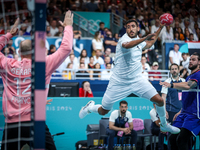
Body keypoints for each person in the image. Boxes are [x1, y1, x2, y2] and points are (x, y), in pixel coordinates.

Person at [79, 19, 180, 134]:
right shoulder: (124, 40)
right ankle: (89, 108)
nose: (130, 29)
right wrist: (144, 38)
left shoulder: (139, 41)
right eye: (128, 27)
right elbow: (128, 46)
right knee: (103, 111)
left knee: (160, 101)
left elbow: (150, 43)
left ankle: (164, 124)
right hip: (118, 82)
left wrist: (160, 27)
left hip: (137, 80)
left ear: (137, 28)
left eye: (133, 26)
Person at [0, 10, 73, 150]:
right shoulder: (43, 65)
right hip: (35, 123)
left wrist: (9, 34)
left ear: (19, 53)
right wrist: (68, 27)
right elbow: (66, 48)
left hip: (12, 125)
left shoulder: (7, 65)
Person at [160, 52, 200, 150]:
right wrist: (180, 111)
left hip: (194, 115)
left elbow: (188, 85)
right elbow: (187, 97)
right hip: (184, 113)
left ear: (199, 62)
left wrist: (171, 85)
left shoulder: (198, 74)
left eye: (193, 59)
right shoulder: (188, 76)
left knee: (182, 139)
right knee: (172, 138)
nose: (190, 61)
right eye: (190, 59)